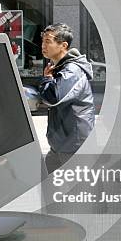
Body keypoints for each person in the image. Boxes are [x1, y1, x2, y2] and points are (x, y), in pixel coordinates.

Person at [38, 23, 95, 173]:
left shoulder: (72, 70)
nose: (43, 45)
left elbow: (53, 97)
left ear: (63, 45)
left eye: (48, 41)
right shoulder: (60, 67)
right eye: (43, 41)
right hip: (61, 143)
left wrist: (47, 79)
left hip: (74, 146)